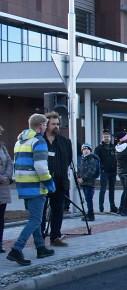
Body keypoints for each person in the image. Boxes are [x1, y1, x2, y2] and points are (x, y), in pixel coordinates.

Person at [6, 114, 55, 266]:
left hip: (23, 185)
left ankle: (40, 248)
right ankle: (16, 249)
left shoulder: (19, 141)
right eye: (45, 125)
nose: (46, 128)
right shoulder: (39, 141)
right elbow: (40, 166)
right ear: (40, 126)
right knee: (35, 220)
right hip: (36, 186)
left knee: (35, 217)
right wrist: (49, 183)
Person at [41, 111, 72, 245]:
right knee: (41, 211)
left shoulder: (65, 142)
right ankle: (40, 238)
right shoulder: (39, 140)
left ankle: (55, 236)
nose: (56, 126)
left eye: (58, 124)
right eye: (53, 124)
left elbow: (69, 160)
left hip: (59, 181)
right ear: (46, 125)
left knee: (58, 209)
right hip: (42, 181)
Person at [94, 130, 117, 213]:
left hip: (113, 172)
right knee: (103, 189)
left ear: (110, 138)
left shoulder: (114, 147)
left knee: (112, 189)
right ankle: (101, 207)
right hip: (104, 172)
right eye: (105, 137)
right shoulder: (98, 148)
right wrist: (100, 168)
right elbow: (95, 160)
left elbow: (116, 158)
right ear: (102, 138)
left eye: (108, 137)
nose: (106, 138)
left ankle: (112, 207)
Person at [76, 144, 100, 221]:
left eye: (87, 149)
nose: (85, 151)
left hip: (90, 183)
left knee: (89, 199)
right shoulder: (83, 159)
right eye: (84, 149)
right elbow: (80, 170)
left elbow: (91, 171)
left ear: (90, 150)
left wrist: (83, 178)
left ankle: (91, 215)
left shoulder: (92, 159)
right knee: (87, 199)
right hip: (84, 183)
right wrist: (78, 177)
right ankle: (89, 213)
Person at [0, 124, 13, 253]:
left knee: (1, 217)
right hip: (1, 182)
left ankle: (0, 244)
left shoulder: (2, 147)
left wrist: (7, 176)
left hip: (3, 188)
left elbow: (9, 162)